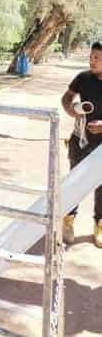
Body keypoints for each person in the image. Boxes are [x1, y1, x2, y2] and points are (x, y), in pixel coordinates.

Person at [61, 41, 102, 247]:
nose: (92, 61)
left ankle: (100, 225)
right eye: (91, 57)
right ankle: (68, 220)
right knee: (74, 182)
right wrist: (70, 109)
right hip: (80, 142)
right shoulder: (83, 78)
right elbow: (66, 98)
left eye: (97, 58)